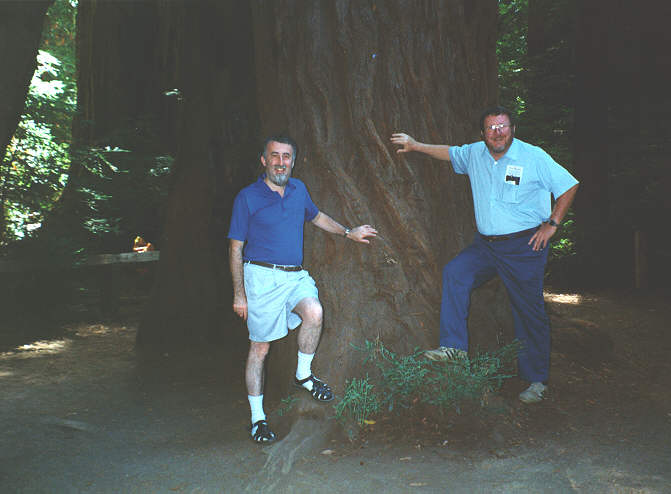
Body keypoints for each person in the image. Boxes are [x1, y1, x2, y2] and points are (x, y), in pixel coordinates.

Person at [390, 106, 579, 404]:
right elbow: (449, 152)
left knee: (527, 311)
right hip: (487, 246)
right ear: (483, 133)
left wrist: (552, 224)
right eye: (491, 128)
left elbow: (568, 185)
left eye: (502, 126)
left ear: (512, 128)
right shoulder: (475, 154)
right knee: (456, 272)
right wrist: (415, 145)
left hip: (524, 247)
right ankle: (453, 348)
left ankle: (536, 381)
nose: (497, 133)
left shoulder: (534, 157)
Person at [228, 134, 377, 443]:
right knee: (260, 348)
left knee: (314, 312)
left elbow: (317, 216)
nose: (280, 162)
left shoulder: (298, 190)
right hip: (261, 278)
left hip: (294, 276)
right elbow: (235, 248)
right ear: (264, 160)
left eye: (286, 157)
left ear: (293, 162)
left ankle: (303, 375)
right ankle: (257, 419)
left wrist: (348, 232)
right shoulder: (247, 197)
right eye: (275, 156)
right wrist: (239, 294)